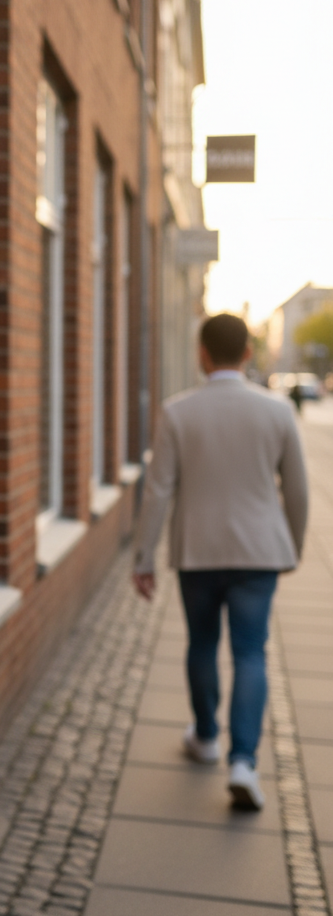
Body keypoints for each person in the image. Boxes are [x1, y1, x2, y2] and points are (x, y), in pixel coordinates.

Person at [131, 313, 308, 810]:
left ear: (202, 354)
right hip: (259, 554)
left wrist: (144, 557)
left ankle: (206, 737)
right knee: (252, 652)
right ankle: (244, 762)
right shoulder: (277, 412)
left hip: (199, 551)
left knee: (203, 643)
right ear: (248, 352)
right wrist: (290, 546)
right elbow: (296, 490)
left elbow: (158, 490)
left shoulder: (177, 412)